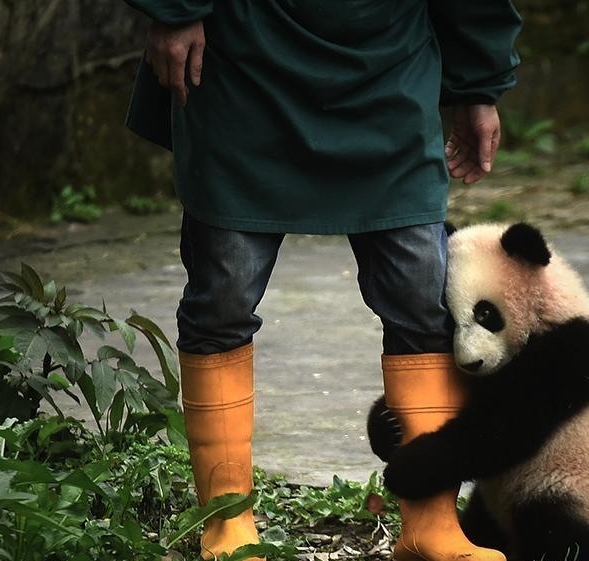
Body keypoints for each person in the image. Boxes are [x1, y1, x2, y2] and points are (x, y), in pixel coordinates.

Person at [122, 2, 521, 561]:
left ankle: (431, 523)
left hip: (388, 69)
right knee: (223, 300)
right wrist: (176, 8)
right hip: (246, 58)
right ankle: (227, 522)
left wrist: (479, 85)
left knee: (423, 297)